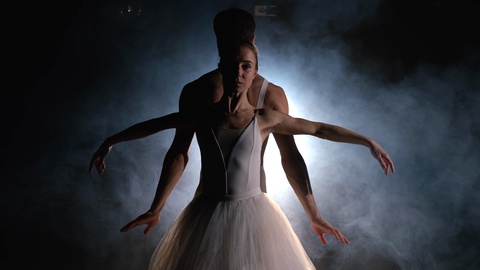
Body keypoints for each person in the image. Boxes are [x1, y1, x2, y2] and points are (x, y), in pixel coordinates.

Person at [90, 40, 395, 269]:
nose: (238, 72)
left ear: (255, 73)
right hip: (205, 215)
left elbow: (318, 129)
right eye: (233, 65)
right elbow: (154, 125)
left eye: (246, 67)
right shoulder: (201, 116)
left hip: (255, 215)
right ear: (220, 67)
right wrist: (111, 141)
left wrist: (367, 141)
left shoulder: (265, 117)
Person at [109, 8, 364, 246]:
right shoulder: (257, 93)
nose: (239, 73)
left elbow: (178, 153)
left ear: (218, 42)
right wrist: (314, 214)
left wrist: (156, 208)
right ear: (253, 39)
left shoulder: (203, 91)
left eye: (246, 67)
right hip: (216, 205)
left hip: (246, 205)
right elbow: (291, 157)